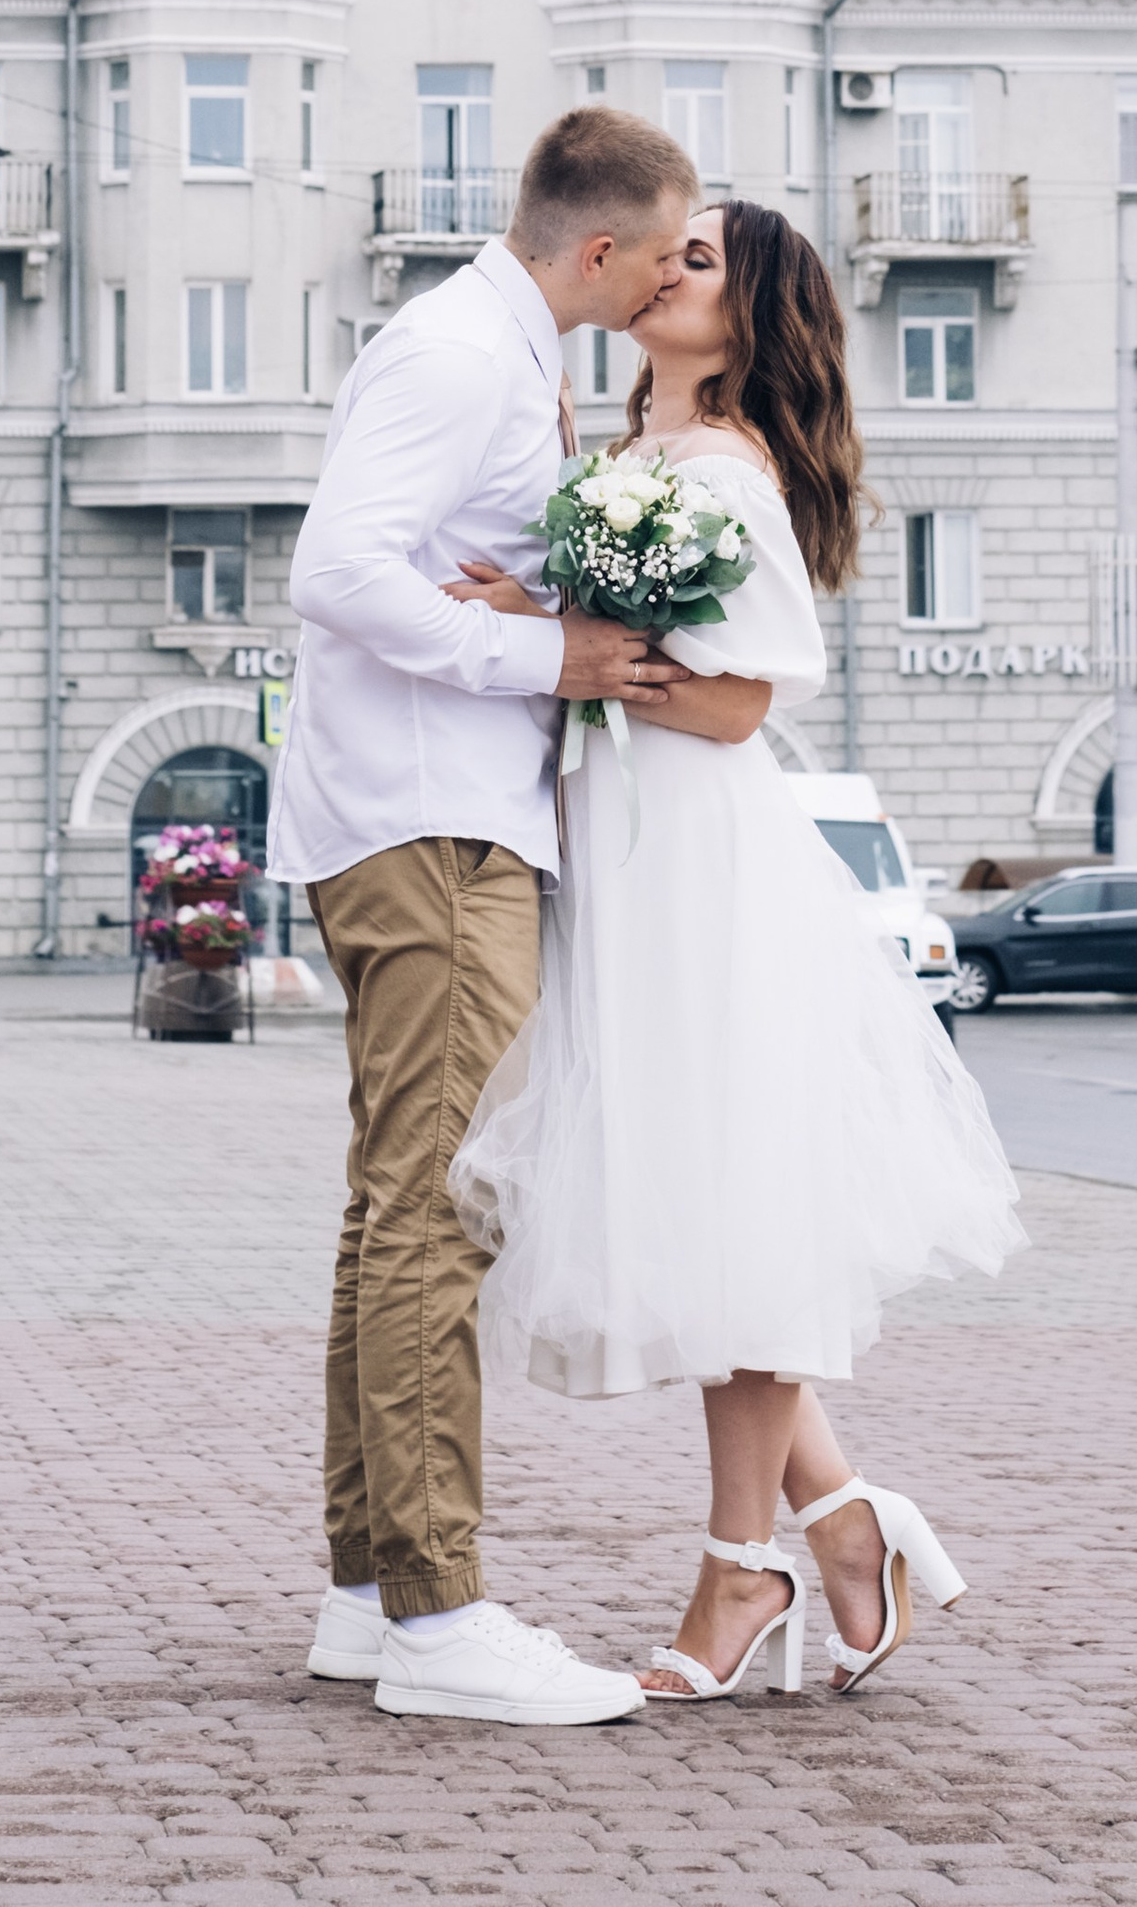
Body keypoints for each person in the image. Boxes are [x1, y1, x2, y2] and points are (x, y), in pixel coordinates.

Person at [451, 200, 1027, 1703]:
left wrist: (569, 644)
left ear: (750, 312)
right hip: (622, 859)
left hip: (699, 865)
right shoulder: (628, 456)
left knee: (734, 1219)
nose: (661, 268)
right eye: (661, 249)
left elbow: (735, 705)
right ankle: (843, 1527)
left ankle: (739, 1570)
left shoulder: (727, 471)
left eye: (696, 259)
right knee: (712, 1222)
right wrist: (545, 620)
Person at [275, 105, 699, 1730]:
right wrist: (552, 662)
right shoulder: (462, 355)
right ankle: (443, 1614)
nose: (677, 273)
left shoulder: (496, 351)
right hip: (433, 829)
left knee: (399, 1210)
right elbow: (342, 569)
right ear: (601, 250)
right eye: (667, 248)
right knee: (443, 1210)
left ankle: (377, 1592)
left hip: (427, 817)